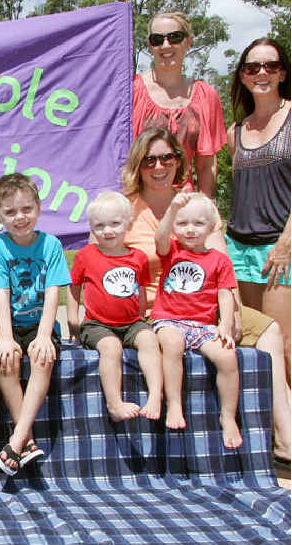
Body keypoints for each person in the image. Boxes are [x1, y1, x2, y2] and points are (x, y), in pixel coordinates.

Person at [122, 127, 289, 461]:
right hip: (156, 307)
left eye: (167, 158)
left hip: (205, 306)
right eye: (150, 160)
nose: (159, 166)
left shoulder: (196, 203)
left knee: (268, 330)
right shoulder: (126, 208)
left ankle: (284, 435)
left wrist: (234, 312)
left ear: (178, 161)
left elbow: (221, 263)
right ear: (138, 165)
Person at [0, 173, 71, 476]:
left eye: (26, 209)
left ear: (38, 208)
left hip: (40, 323)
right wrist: (6, 338)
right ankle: (28, 440)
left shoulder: (51, 245)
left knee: (41, 358)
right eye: (10, 212)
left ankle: (17, 439)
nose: (20, 217)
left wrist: (45, 335)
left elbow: (53, 293)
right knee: (7, 361)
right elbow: (1, 294)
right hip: (10, 323)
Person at [152, 192, 241, 449]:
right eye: (182, 223)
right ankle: (174, 404)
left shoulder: (220, 260)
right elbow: (160, 238)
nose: (190, 229)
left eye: (198, 223)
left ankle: (228, 416)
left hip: (203, 325)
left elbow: (225, 294)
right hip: (169, 320)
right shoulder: (171, 251)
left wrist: (224, 325)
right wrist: (172, 210)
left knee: (227, 356)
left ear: (211, 227)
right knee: (172, 344)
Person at [226, 38, 291, 393]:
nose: (261, 73)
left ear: (282, 73)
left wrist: (285, 243)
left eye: (271, 65)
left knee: (284, 346)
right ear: (243, 76)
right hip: (238, 249)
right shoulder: (236, 132)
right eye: (252, 67)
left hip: (280, 249)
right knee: (251, 343)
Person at [66, 191, 161, 422]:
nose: (107, 231)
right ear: (91, 228)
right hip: (97, 324)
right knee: (111, 347)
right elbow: (73, 287)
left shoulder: (138, 257)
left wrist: (140, 318)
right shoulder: (86, 255)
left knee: (150, 340)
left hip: (132, 322)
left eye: (115, 224)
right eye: (99, 226)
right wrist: (72, 319)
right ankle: (114, 404)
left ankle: (156, 397)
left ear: (128, 223)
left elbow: (139, 290)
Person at [132, 11, 226, 196]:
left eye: (175, 37)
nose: (166, 45)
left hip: (185, 204)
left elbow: (206, 165)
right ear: (150, 45)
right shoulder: (132, 90)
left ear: (188, 41)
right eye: (157, 39)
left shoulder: (206, 95)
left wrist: (207, 206)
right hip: (137, 202)